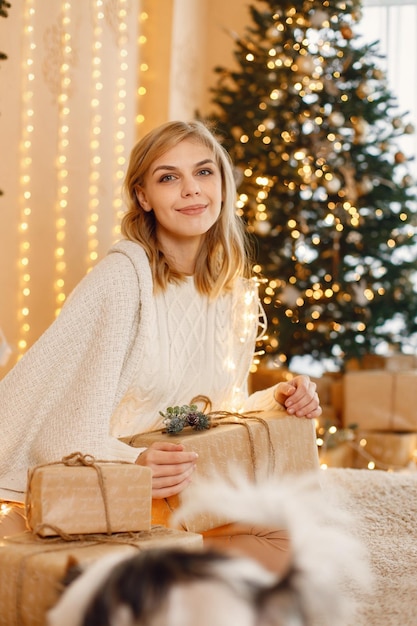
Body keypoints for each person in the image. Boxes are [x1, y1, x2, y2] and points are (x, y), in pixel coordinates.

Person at [0, 121, 321, 573]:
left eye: (204, 172)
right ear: (143, 197)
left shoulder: (230, 292)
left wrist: (279, 398)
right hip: (108, 485)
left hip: (178, 484)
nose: (191, 190)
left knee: (299, 537)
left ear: (224, 185)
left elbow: (205, 413)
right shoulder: (121, 281)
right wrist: (136, 461)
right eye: (169, 177)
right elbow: (61, 431)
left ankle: (165, 575)